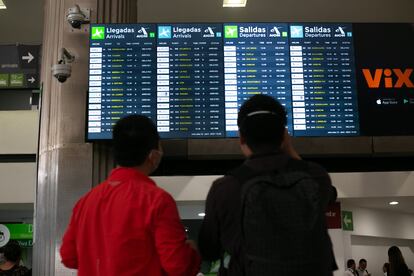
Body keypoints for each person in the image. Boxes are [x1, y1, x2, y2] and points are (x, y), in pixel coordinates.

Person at [198, 94, 338, 275]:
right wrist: (289, 148)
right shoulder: (316, 176)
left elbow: (208, 249)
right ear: (284, 135)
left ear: (241, 138)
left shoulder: (225, 188)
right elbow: (306, 173)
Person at [60, 115, 201, 276]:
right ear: (153, 155)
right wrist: (192, 252)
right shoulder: (157, 200)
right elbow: (178, 266)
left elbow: (69, 257)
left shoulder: (85, 202)